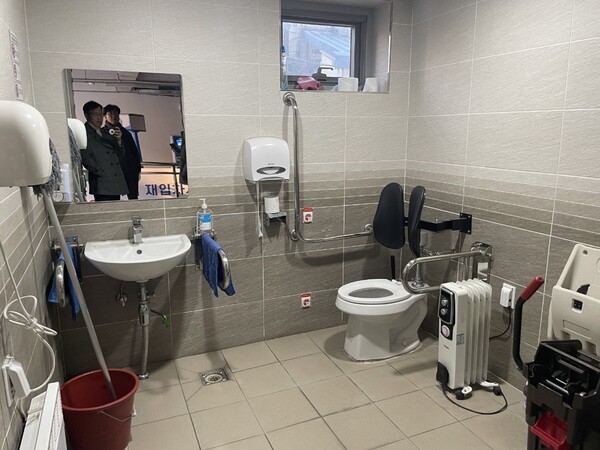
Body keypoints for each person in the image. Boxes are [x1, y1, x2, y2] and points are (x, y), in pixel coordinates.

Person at [81, 101, 129, 202]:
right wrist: (100, 171)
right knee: (106, 209)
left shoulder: (105, 132)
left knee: (117, 208)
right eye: (95, 114)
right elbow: (85, 157)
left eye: (101, 114)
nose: (99, 118)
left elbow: (120, 154)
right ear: (86, 115)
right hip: (102, 182)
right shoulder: (84, 133)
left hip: (115, 180)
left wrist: (118, 140)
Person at [103, 104, 142, 199]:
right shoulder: (102, 133)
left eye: (116, 113)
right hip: (112, 173)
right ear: (105, 116)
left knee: (133, 198)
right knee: (114, 200)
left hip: (129, 171)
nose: (113, 116)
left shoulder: (126, 133)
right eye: (110, 113)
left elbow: (134, 152)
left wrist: (137, 169)